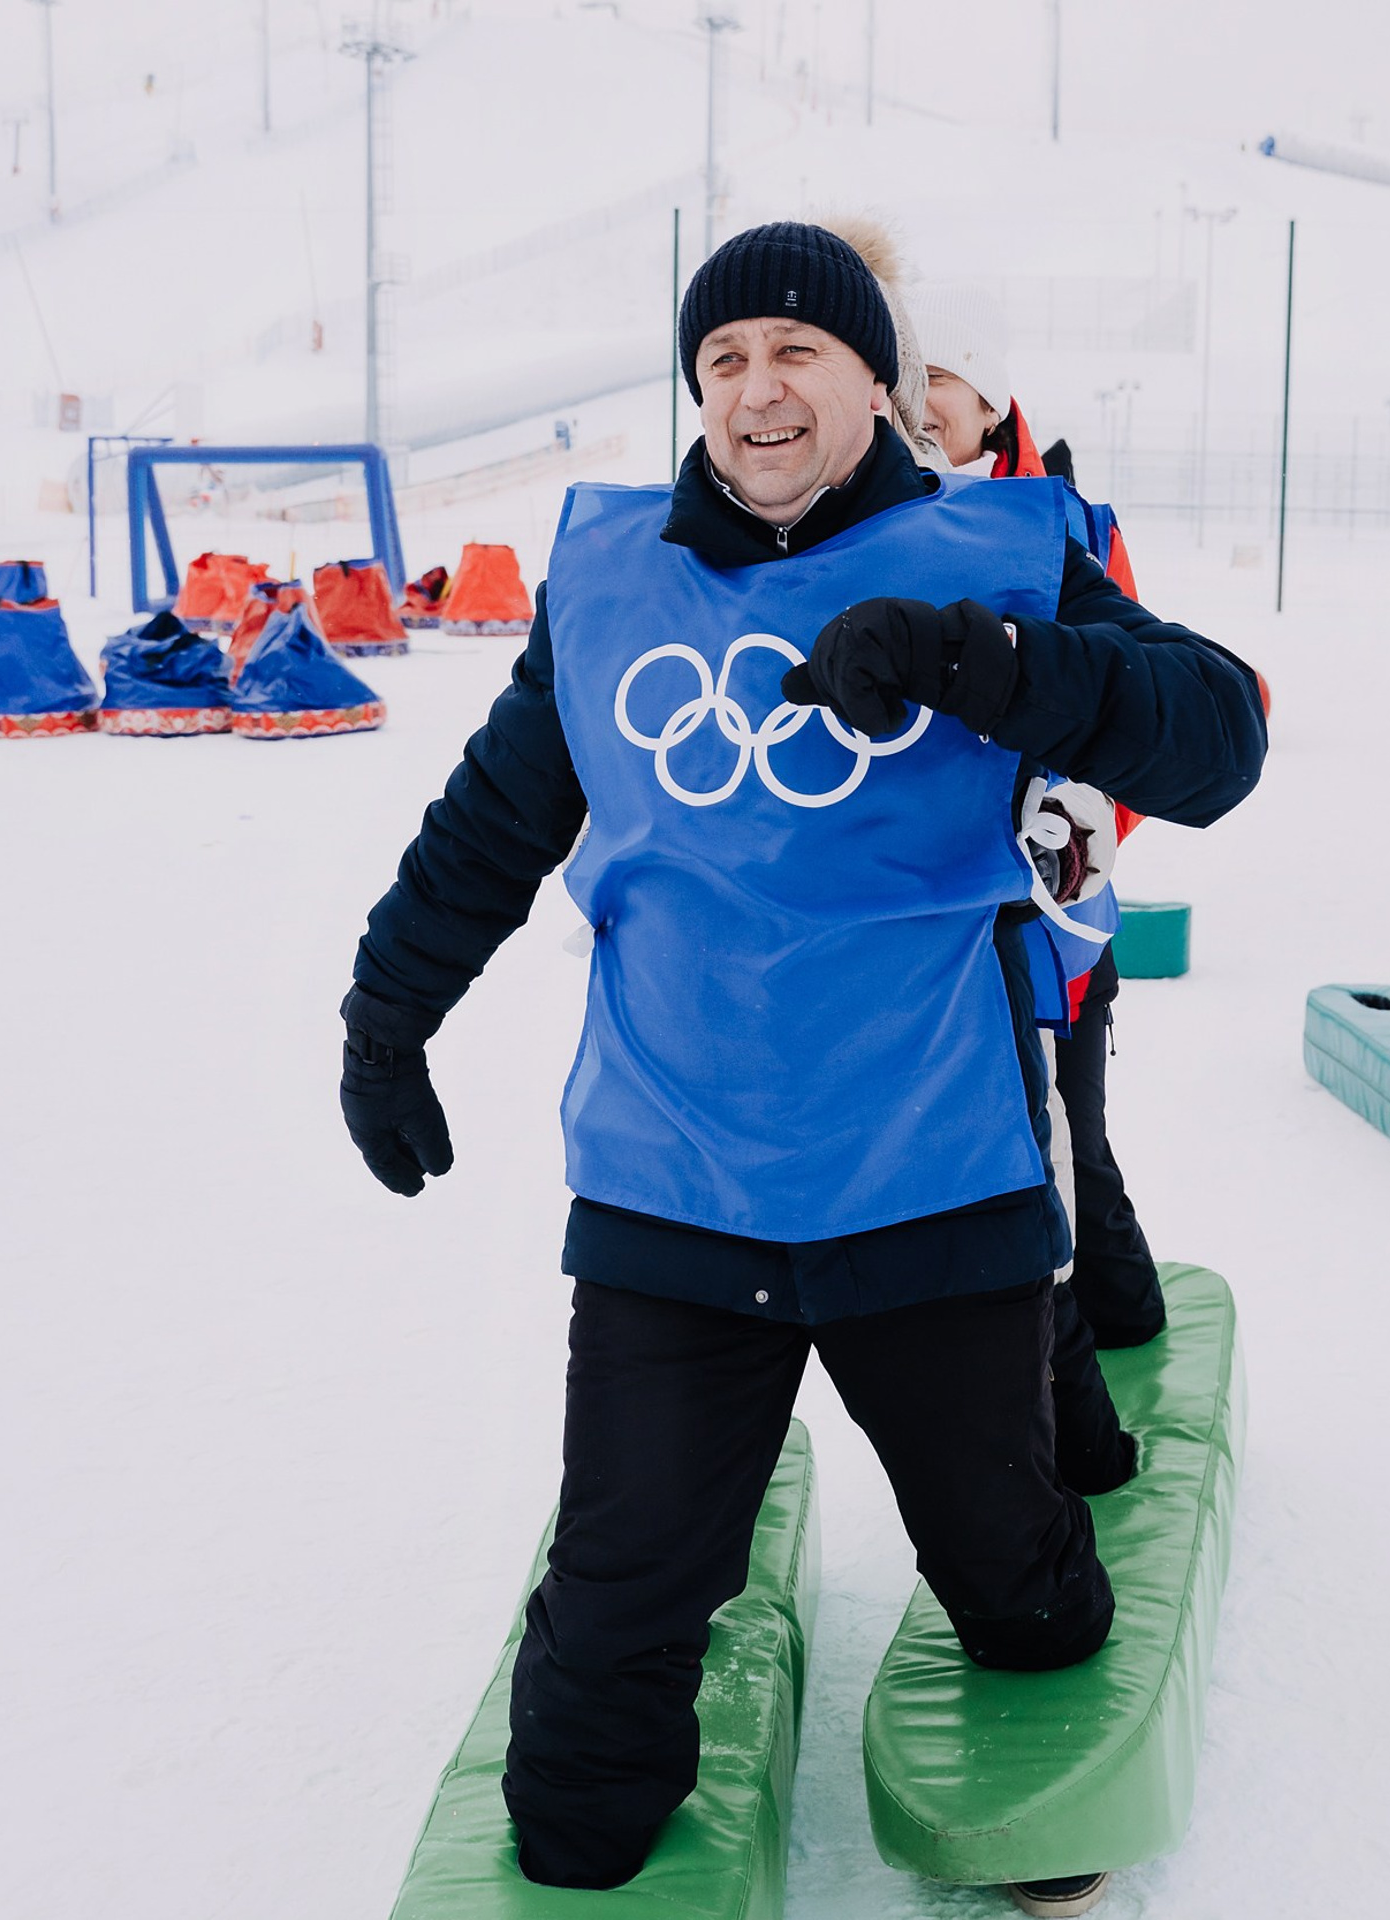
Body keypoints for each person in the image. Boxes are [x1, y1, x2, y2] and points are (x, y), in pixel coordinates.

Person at [338, 222, 1268, 1913]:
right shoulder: (615, 586)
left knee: (1026, 1599)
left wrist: (975, 666)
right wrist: (383, 1019)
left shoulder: (993, 550)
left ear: (872, 378)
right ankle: (631, 1672)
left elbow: (1219, 734)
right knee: (587, 1762)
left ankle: (1026, 1552)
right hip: (675, 1195)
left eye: (797, 353)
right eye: (722, 364)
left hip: (929, 1182)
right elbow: (490, 826)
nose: (758, 393)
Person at [910, 281, 1168, 1356]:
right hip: (932, 920)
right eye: (901, 385)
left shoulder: (1066, 529)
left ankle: (1113, 1325)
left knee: (1069, 1143)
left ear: (988, 402)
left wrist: (1077, 829)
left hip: (1048, 917)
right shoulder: (876, 512)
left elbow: (1144, 710)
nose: (918, 410)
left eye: (940, 387)